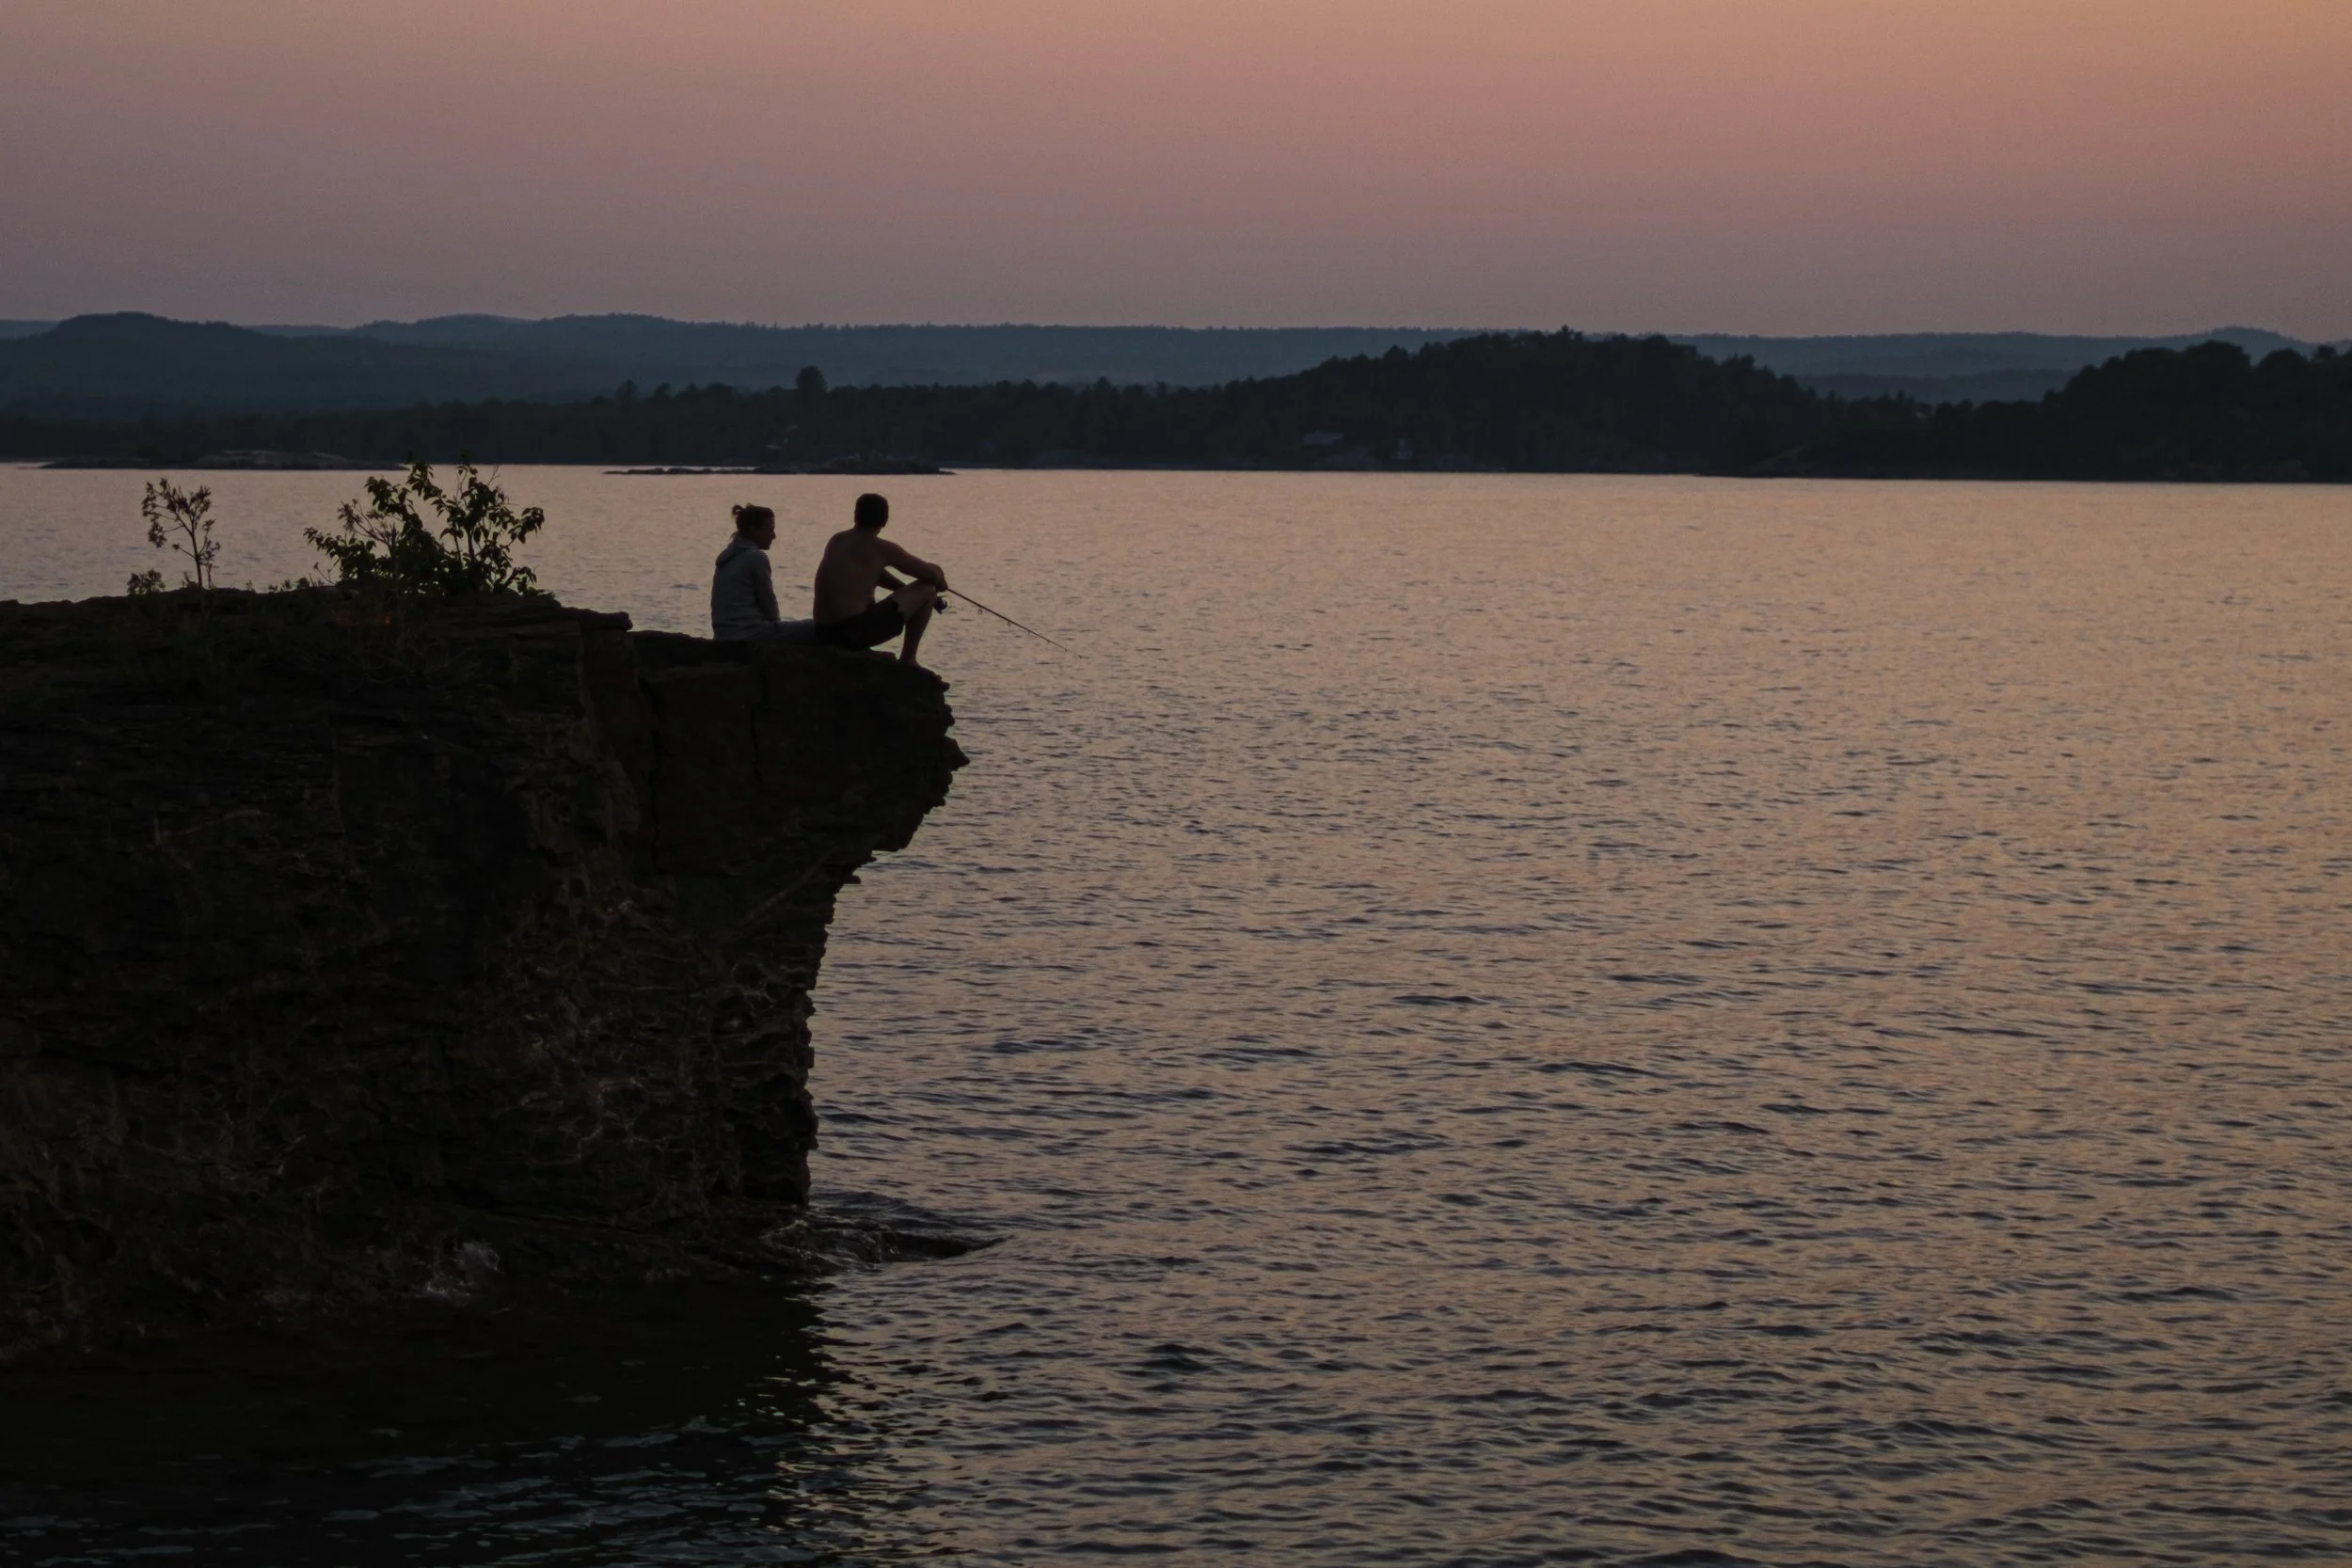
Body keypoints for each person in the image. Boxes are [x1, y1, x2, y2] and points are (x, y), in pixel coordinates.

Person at [811, 492, 946, 664]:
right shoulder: (882, 549)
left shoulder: (837, 540)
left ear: (855, 515)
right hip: (852, 633)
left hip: (823, 631)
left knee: (924, 591)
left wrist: (906, 592)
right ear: (885, 520)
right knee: (928, 589)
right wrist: (939, 579)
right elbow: (932, 576)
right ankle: (908, 659)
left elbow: (876, 575)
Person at [710, 503, 818, 642]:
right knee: (816, 627)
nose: (774, 536)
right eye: (769, 531)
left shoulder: (727, 556)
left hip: (723, 635)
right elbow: (768, 602)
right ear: (753, 530)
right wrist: (778, 629)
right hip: (748, 634)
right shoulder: (756, 557)